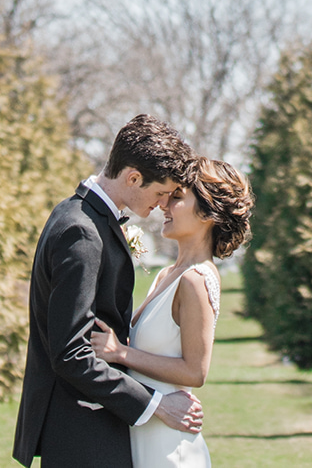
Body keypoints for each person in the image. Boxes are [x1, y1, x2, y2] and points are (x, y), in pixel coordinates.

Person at [13, 114, 204, 468]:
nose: (164, 204)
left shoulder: (79, 215)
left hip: (88, 426)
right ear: (133, 177)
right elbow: (71, 354)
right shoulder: (82, 232)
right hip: (82, 430)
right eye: (160, 192)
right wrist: (156, 404)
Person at [91, 157, 254, 468]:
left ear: (207, 212)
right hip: (145, 435)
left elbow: (195, 371)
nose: (164, 204)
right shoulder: (167, 274)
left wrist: (121, 353)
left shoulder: (196, 280)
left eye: (177, 197)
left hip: (169, 447)